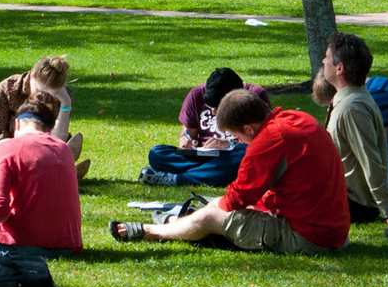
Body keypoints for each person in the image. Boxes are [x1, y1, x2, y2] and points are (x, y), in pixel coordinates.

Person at [109, 90, 347, 254]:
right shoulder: (298, 119)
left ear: (248, 129)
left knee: (209, 215)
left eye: (238, 137)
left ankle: (152, 231)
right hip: (333, 230)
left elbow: (237, 199)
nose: (240, 143)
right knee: (216, 206)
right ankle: (180, 223)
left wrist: (216, 206)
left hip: (310, 238)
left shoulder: (269, 139)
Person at [319, 33, 388, 231]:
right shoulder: (350, 99)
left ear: (339, 68)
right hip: (343, 196)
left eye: (327, 57)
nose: (323, 61)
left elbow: (371, 159)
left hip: (354, 204)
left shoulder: (352, 108)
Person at [0, 90, 81, 258]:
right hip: (67, 245)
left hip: (21, 244)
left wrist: (9, 220)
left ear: (16, 125)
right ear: (48, 128)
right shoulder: (64, 149)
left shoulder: (7, 148)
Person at [0, 54, 86, 173]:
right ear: (32, 76)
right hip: (13, 149)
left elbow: (56, 140)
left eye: (52, 95)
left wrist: (66, 104)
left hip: (47, 150)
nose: (44, 99)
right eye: (40, 91)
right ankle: (65, 169)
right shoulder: (7, 89)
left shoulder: (63, 95)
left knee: (60, 148)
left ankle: (62, 168)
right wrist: (22, 150)